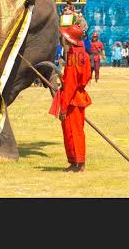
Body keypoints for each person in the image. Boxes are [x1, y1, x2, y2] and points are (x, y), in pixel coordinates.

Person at [49, 24, 92, 172]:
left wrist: (64, 107)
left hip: (73, 99)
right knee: (74, 131)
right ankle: (75, 162)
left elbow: (72, 85)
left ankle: (79, 163)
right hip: (77, 97)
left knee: (73, 132)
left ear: (69, 40)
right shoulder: (83, 54)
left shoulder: (74, 57)